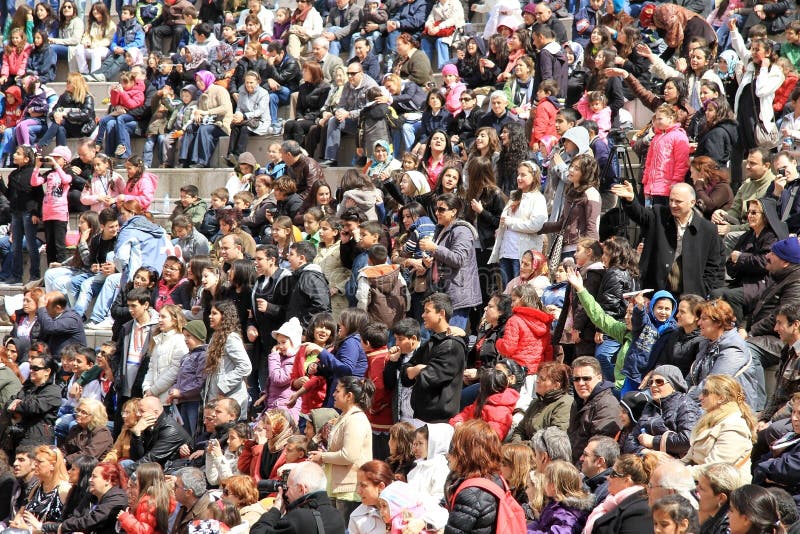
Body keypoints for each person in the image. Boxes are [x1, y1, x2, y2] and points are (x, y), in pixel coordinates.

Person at [611, 181, 724, 295]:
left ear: (692, 202)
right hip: (656, 290)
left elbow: (713, 266)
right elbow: (640, 214)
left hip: (690, 297)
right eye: (671, 200)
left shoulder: (708, 229)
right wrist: (631, 200)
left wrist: (703, 290)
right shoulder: (659, 214)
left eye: (678, 201)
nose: (673, 205)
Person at [308, 376, 373, 522]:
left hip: (349, 492)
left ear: (349, 396)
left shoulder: (355, 419)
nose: (333, 395)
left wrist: (322, 457)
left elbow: (349, 455)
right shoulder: (345, 417)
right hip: (338, 489)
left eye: (337, 391)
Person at [444, 419, 523, 533]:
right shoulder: (496, 479)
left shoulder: (471, 493)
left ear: (466, 453)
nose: (449, 454)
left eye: (454, 448)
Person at [419, 194, 481, 329]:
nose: (437, 213)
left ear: (453, 211)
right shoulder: (441, 229)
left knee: (451, 339)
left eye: (441, 210)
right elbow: (442, 256)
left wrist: (434, 248)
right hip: (442, 291)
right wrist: (429, 260)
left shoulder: (462, 231)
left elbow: (458, 259)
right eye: (436, 209)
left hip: (458, 294)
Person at [688, 299, 765, 410]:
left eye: (704, 319)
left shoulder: (734, 348)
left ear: (718, 322)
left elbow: (712, 384)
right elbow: (691, 378)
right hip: (706, 402)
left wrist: (685, 400)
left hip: (732, 410)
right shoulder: (706, 343)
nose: (699, 323)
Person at [402, 293, 467, 423]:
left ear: (441, 313)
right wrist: (416, 369)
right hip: (422, 416)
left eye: (427, 311)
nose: (423, 315)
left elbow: (432, 377)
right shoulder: (431, 342)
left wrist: (418, 370)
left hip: (439, 421)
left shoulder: (452, 345)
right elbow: (406, 370)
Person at [683, 375, 757, 483]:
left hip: (723, 490)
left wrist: (680, 473)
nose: (700, 397)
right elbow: (689, 457)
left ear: (721, 398)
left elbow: (715, 467)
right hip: (700, 481)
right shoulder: (711, 420)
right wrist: (670, 468)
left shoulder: (734, 425)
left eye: (705, 392)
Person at [249, 462, 346, 534]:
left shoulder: (298, 518)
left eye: (287, 488)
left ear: (301, 489)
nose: (285, 493)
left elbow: (257, 532)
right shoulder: (337, 516)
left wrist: (275, 510)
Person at [41, 461, 128, 534]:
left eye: (94, 476)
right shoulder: (92, 496)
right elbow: (76, 516)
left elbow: (92, 520)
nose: (90, 479)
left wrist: (57, 527)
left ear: (108, 480)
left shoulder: (117, 498)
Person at [583, 453, 657, 534]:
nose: (607, 478)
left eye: (612, 474)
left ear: (627, 480)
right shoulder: (611, 502)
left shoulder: (640, 510)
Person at [567, 356, 621, 464]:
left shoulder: (607, 405)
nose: (580, 383)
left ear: (599, 378)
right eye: (576, 379)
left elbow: (598, 449)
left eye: (586, 378)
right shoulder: (578, 402)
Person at [205, 300, 252, 417]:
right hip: (218, 401)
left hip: (231, 402)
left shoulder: (231, 338)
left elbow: (245, 366)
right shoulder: (215, 337)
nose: (210, 316)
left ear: (224, 316)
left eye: (214, 313)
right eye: (210, 313)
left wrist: (223, 386)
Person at [5, 353, 60, 449]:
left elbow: (34, 407)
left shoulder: (53, 390)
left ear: (47, 371)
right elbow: (9, 402)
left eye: (35, 368)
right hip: (18, 435)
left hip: (37, 438)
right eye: (30, 368)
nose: (31, 371)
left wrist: (18, 404)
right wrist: (18, 404)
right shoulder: (27, 388)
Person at [126, 396, 191, 472]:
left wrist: (120, 473)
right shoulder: (147, 424)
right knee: (126, 463)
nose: (137, 414)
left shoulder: (171, 430)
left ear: (156, 413)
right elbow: (135, 457)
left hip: (171, 471)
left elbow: (150, 459)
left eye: (142, 411)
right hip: (153, 468)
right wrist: (136, 435)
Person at [511, 361, 573, 441]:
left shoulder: (565, 404)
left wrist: (524, 448)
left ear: (556, 385)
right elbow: (520, 430)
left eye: (542, 379)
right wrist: (517, 446)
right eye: (538, 377)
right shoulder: (535, 402)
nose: (537, 381)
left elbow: (554, 439)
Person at [61, 398, 113, 465]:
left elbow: (89, 454)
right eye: (78, 410)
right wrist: (57, 457)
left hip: (90, 469)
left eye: (84, 412)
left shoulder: (102, 432)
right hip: (73, 465)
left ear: (94, 416)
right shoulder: (75, 429)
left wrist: (65, 460)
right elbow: (65, 448)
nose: (78, 414)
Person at [696, 463, 741, 534]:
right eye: (697, 484)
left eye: (701, 488)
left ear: (721, 498)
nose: (696, 490)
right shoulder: (697, 510)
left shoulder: (726, 529)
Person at [579, 436, 620, 505]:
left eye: (585, 455)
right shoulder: (586, 481)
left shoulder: (607, 493)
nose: (581, 458)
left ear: (600, 462)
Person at [171, 467, 213, 534]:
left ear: (188, 492)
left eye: (176, 486)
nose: (173, 488)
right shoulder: (186, 504)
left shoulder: (205, 517)